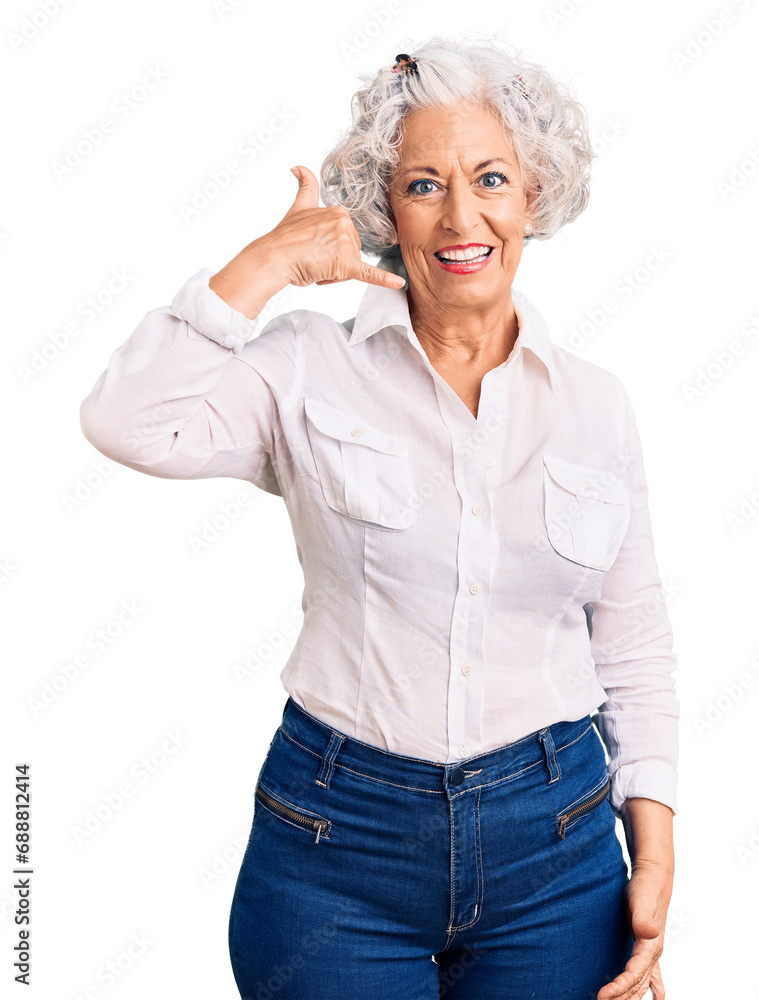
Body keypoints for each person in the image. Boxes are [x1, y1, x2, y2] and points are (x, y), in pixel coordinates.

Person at [79, 36, 678, 1000]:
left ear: (533, 194)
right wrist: (266, 262)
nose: (460, 214)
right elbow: (127, 420)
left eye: (489, 177)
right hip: (334, 850)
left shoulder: (595, 405)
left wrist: (652, 850)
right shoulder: (306, 367)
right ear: (383, 209)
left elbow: (634, 642)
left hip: (558, 855)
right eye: (422, 185)